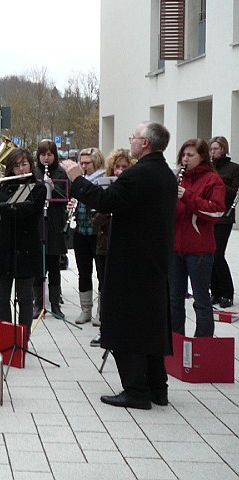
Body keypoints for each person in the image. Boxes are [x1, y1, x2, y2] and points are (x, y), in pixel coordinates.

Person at [61, 121, 176, 410]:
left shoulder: (140, 174)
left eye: (134, 137)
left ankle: (136, 390)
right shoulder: (164, 173)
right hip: (152, 260)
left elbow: (106, 199)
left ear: (146, 143)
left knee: (128, 325)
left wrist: (76, 179)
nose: (131, 141)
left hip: (132, 262)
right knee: (150, 324)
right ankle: (156, 388)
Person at [0, 149, 45, 336]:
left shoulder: (38, 188)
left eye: (25, 165)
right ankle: (5, 339)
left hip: (27, 250)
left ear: (31, 165)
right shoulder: (5, 188)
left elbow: (19, 211)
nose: (21, 169)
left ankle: (23, 339)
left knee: (25, 298)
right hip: (4, 249)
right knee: (1, 298)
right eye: (16, 166)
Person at [170, 139, 224, 338]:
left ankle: (203, 344)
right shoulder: (178, 177)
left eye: (190, 155)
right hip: (176, 248)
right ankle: (175, 344)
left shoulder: (212, 180)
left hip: (199, 250)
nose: (185, 159)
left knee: (201, 301)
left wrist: (187, 196)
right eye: (183, 155)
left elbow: (216, 211)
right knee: (174, 300)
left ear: (202, 156)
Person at [89, 148, 135, 347]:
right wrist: (109, 208)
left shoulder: (133, 187)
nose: (120, 171)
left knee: (125, 289)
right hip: (104, 246)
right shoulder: (105, 188)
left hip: (126, 246)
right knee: (104, 287)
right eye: (117, 167)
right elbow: (95, 219)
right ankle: (104, 329)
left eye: (125, 167)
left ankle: (125, 329)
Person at [71, 147, 105, 324]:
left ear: (96, 162)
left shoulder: (102, 180)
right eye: (81, 163)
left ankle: (101, 311)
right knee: (83, 272)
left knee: (101, 273)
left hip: (97, 234)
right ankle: (86, 310)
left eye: (87, 163)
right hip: (81, 231)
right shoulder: (80, 180)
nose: (84, 166)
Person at [34, 140, 68, 319]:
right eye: (43, 155)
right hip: (39, 224)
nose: (46, 158)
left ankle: (55, 304)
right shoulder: (35, 172)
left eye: (49, 154)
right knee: (38, 267)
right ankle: (38, 304)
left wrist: (53, 188)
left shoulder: (61, 173)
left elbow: (64, 197)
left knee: (54, 266)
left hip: (54, 224)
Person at [209, 136, 239, 308]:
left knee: (217, 254)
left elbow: (234, 193)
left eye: (216, 149)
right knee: (208, 254)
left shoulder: (234, 168)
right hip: (208, 215)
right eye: (211, 149)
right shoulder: (208, 168)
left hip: (224, 216)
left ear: (223, 149)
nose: (213, 152)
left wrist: (217, 182)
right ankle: (215, 292)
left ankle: (227, 293)